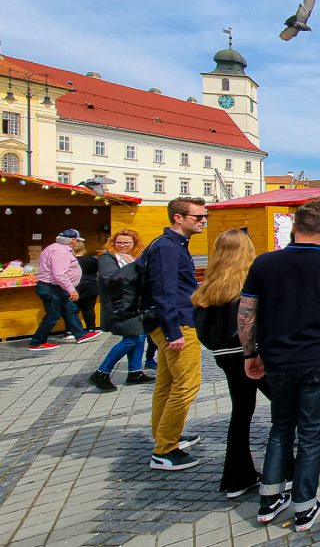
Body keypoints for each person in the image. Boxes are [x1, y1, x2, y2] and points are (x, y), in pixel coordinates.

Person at [240, 200, 320, 531]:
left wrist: (250, 354)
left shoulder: (264, 263)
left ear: (294, 228)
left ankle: (268, 499)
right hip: (318, 359)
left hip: (276, 358)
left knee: (280, 427)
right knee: (310, 433)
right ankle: (304, 506)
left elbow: (246, 313)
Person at [193, 229, 272, 498]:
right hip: (255, 355)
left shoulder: (210, 284)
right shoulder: (251, 282)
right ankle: (283, 473)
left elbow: (202, 328)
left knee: (241, 412)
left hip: (226, 357)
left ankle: (238, 476)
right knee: (288, 409)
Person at [143, 197, 207, 470]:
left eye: (204, 216)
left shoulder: (172, 245)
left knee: (167, 383)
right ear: (178, 218)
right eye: (198, 217)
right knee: (187, 384)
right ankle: (165, 449)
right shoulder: (167, 248)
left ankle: (165, 434)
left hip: (173, 321)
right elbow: (164, 291)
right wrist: (172, 332)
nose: (203, 221)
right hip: (177, 324)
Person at [88, 230, 154, 391]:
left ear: (134, 244)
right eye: (119, 242)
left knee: (140, 336)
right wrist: (134, 266)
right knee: (132, 338)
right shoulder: (108, 258)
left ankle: (134, 372)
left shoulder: (134, 258)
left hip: (135, 305)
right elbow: (110, 278)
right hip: (120, 306)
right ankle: (101, 372)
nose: (122, 246)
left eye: (126, 243)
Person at [29, 229, 100, 350]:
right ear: (72, 240)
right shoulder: (61, 252)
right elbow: (59, 274)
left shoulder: (53, 248)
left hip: (52, 286)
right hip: (52, 287)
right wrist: (71, 289)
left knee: (69, 308)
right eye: (77, 240)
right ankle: (37, 342)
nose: (77, 243)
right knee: (53, 314)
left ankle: (80, 334)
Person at [73, 241, 100, 334]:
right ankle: (91, 329)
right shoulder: (92, 259)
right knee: (89, 309)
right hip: (90, 286)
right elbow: (99, 271)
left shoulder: (70, 261)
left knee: (73, 310)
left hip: (74, 287)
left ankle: (70, 331)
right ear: (83, 249)